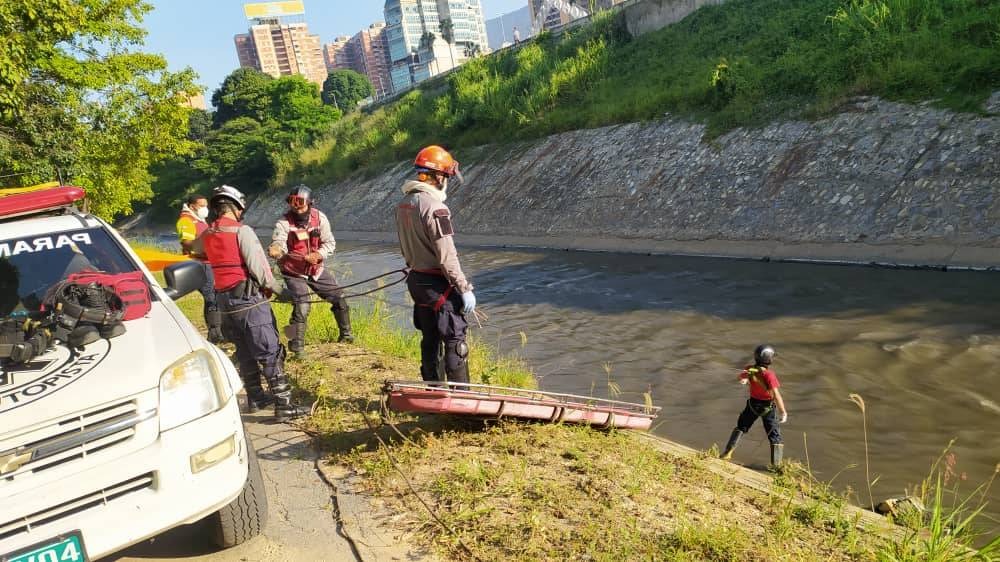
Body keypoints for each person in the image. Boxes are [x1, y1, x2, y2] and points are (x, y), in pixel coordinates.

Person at [192, 185, 309, 421]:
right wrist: (279, 291)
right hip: (248, 301)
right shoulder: (241, 231)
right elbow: (260, 269)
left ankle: (256, 398)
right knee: (269, 350)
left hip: (224, 303)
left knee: (244, 350)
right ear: (236, 207)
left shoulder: (208, 233)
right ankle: (284, 405)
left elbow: (195, 250)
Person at [395, 145, 476, 384]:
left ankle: (432, 391)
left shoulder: (404, 204)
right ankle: (461, 399)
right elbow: (446, 256)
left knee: (430, 337)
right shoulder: (435, 207)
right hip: (437, 283)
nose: (447, 182)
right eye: (447, 177)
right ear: (438, 176)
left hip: (417, 281)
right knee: (455, 340)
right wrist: (464, 287)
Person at [267, 184, 353, 353]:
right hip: (293, 271)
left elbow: (330, 243)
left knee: (339, 298)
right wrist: (276, 249)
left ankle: (347, 336)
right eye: (292, 203)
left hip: (316, 269)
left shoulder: (320, 218)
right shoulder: (283, 223)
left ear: (309, 203)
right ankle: (296, 346)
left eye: (300, 203)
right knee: (302, 305)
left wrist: (319, 254)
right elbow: (279, 243)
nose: (297, 207)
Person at [721, 344, 788, 468]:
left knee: (741, 427)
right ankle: (776, 467)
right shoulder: (769, 375)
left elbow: (741, 377)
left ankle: (727, 453)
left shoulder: (749, 369)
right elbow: (776, 395)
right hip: (767, 408)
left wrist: (744, 379)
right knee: (775, 436)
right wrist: (783, 412)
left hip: (752, 405)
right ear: (769, 360)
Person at [176, 194, 223, 343]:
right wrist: (207, 249)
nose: (205, 209)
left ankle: (217, 331)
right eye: (201, 205)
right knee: (211, 296)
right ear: (191, 206)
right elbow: (187, 243)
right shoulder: (186, 220)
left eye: (206, 205)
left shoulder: (198, 220)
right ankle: (215, 333)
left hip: (207, 262)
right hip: (199, 263)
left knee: (214, 295)